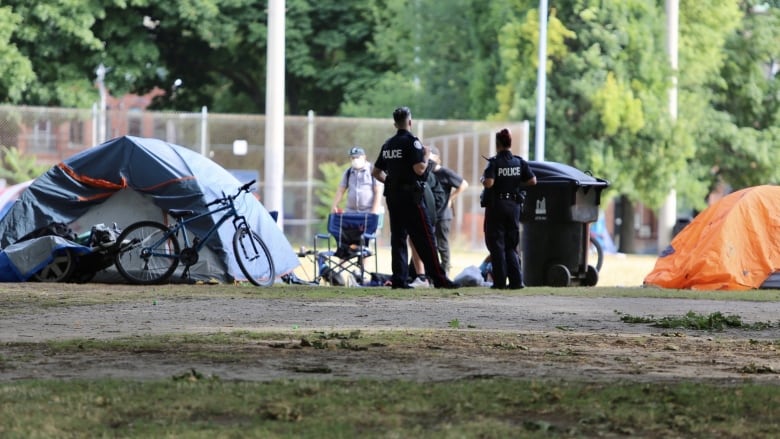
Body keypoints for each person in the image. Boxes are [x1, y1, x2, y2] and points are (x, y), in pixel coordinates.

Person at [372, 106, 457, 289]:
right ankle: (440, 279)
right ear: (410, 122)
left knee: (398, 238)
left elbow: (376, 172)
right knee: (425, 237)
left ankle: (399, 280)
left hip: (393, 198)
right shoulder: (413, 142)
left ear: (395, 123)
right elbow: (419, 169)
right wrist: (426, 156)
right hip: (411, 197)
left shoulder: (388, 145)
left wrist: (391, 182)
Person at [481, 128, 536, 289]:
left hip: (497, 207)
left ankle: (499, 282)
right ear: (510, 144)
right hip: (514, 206)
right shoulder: (519, 162)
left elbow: (489, 183)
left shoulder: (494, 162)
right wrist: (516, 183)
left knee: (496, 244)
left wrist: (483, 179)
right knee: (511, 245)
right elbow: (533, 181)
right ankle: (516, 281)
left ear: (497, 144)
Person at [429, 146, 468, 275]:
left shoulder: (445, 173)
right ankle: (430, 273)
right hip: (430, 214)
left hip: (443, 214)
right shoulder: (426, 173)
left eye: (431, 157)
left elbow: (464, 184)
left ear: (437, 159)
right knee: (429, 244)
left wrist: (451, 198)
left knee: (442, 244)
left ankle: (445, 271)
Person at [331, 147, 383, 214]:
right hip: (351, 212)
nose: (355, 160)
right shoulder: (348, 172)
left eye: (357, 157)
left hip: (369, 212)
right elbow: (340, 191)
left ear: (364, 157)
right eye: (353, 158)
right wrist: (334, 206)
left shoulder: (372, 170)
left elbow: (378, 192)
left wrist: (374, 212)